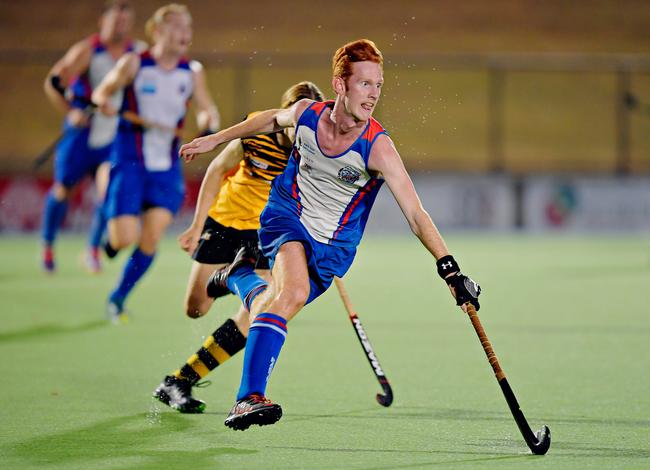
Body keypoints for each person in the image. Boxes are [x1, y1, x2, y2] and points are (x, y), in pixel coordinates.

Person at [180, 39, 481, 431]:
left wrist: (450, 269)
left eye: (378, 85)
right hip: (286, 217)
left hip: (333, 247)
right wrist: (215, 139)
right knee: (291, 294)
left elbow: (415, 213)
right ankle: (247, 398)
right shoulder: (307, 114)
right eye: (365, 84)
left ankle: (238, 277)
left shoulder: (379, 148)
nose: (373, 94)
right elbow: (271, 119)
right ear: (340, 84)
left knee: (274, 303)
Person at [153, 81, 325, 413]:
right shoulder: (257, 132)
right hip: (225, 221)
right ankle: (229, 276)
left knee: (257, 310)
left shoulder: (314, 149)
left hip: (265, 232)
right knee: (196, 308)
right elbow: (217, 171)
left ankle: (181, 380)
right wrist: (196, 224)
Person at [92, 3, 220, 324]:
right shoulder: (135, 63)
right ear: (158, 31)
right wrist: (105, 102)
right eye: (177, 26)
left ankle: (117, 297)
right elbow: (102, 93)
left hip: (165, 167)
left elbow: (207, 109)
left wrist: (207, 124)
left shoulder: (191, 72)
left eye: (188, 28)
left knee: (150, 237)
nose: (185, 34)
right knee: (123, 239)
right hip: (130, 160)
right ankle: (110, 234)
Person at [41, 0, 142, 273]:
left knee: (107, 189)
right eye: (115, 20)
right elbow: (53, 82)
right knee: (63, 190)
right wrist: (70, 112)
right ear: (103, 21)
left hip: (112, 137)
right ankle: (48, 246)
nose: (120, 25)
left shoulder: (137, 53)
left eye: (125, 20)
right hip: (81, 136)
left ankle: (92, 250)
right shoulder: (88, 50)